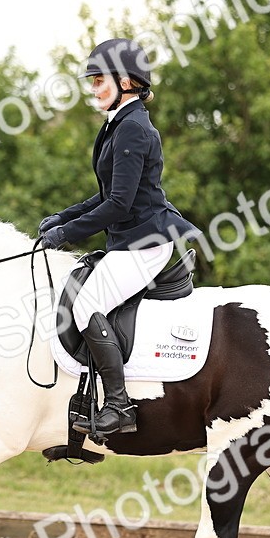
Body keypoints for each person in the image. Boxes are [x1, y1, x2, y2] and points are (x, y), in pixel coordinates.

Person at [38, 38, 201, 437]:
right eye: (92, 81)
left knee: (86, 305)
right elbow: (106, 193)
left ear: (127, 82)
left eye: (99, 81)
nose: (93, 88)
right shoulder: (120, 123)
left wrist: (67, 233)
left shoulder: (133, 128)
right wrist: (65, 215)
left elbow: (120, 205)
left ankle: (118, 404)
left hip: (144, 242)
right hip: (131, 237)